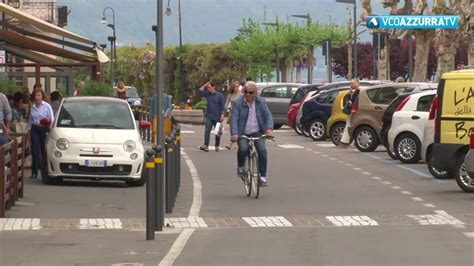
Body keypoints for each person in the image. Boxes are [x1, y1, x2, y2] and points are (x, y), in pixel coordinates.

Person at [230, 81, 273, 186]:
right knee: (243, 148)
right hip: (242, 132)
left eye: (251, 92)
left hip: (258, 132)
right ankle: (241, 167)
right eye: (246, 92)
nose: (248, 94)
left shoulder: (261, 102)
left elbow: (268, 115)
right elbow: (234, 119)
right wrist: (235, 133)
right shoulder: (237, 103)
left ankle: (262, 176)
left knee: (262, 150)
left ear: (255, 92)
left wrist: (269, 129)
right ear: (243, 91)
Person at [28, 88, 54, 179]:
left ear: (42, 96)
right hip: (35, 129)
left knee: (44, 151)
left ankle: (45, 172)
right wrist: (29, 130)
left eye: (39, 95)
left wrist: (50, 131)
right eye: (35, 95)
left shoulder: (47, 106)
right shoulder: (32, 106)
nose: (37, 97)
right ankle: (34, 172)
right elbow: (30, 120)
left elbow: (52, 119)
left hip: (44, 129)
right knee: (35, 151)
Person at [197, 80, 225, 152]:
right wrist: (205, 84)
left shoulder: (220, 95)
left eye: (209, 87)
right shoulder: (207, 94)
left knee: (218, 132)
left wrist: (222, 115)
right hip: (209, 116)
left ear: (213, 87)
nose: (208, 89)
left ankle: (217, 145)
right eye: (207, 88)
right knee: (207, 131)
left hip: (217, 116)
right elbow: (199, 91)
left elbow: (223, 106)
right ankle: (206, 145)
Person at [339, 79, 360, 148]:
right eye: (351, 83)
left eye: (353, 83)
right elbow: (349, 99)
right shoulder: (353, 91)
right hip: (352, 111)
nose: (352, 85)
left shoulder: (358, 91)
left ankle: (347, 141)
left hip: (355, 111)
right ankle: (345, 141)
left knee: (350, 126)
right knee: (348, 126)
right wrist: (350, 93)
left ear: (357, 83)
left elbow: (354, 100)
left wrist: (351, 99)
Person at [224, 79, 242, 150]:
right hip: (232, 113)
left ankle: (235, 143)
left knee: (239, 129)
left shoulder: (241, 95)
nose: (236, 88)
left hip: (240, 113)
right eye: (235, 87)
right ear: (233, 87)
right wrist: (224, 111)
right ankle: (232, 143)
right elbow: (226, 103)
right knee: (232, 128)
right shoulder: (230, 95)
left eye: (237, 87)